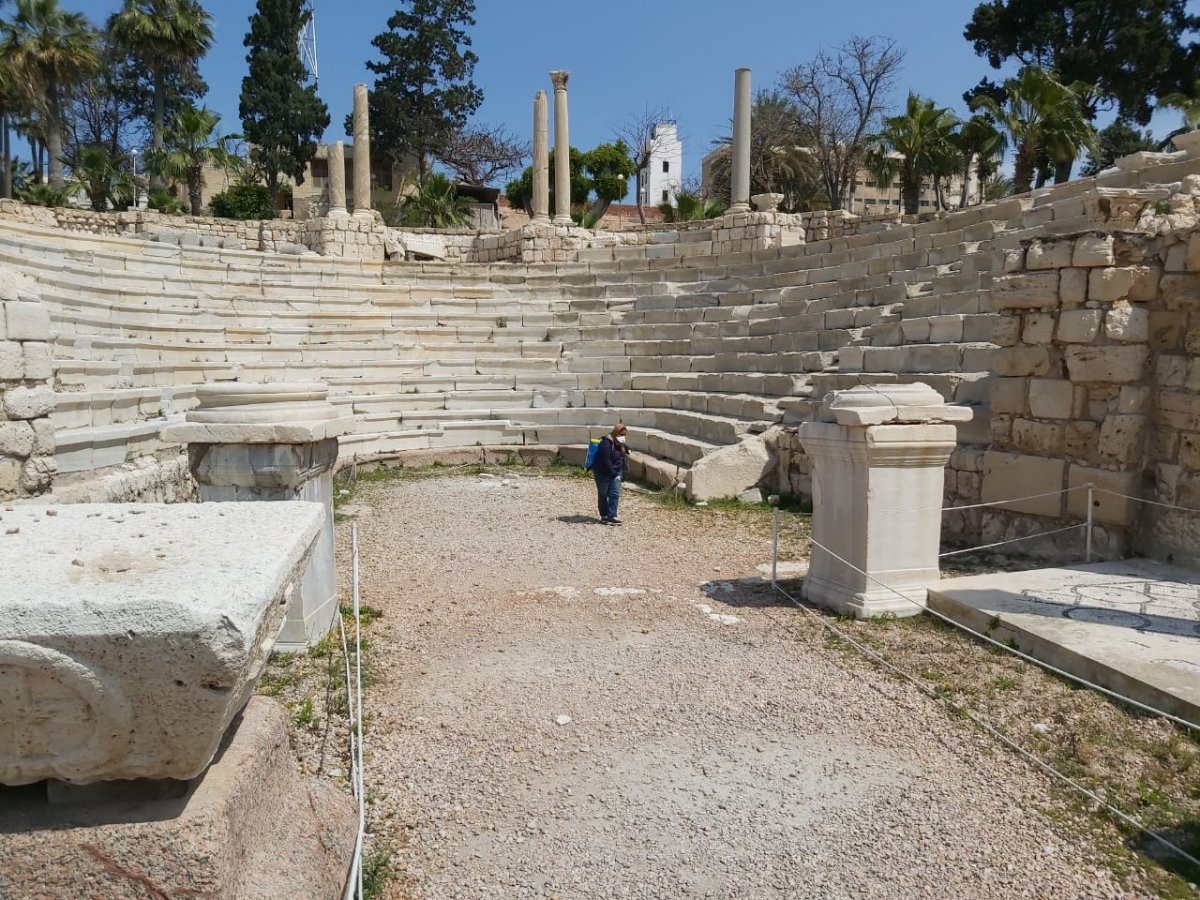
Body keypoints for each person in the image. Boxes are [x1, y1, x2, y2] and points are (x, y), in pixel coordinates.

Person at [593, 423, 629, 525]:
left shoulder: (620, 444)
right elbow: (606, 461)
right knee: (603, 494)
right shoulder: (606, 443)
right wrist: (613, 473)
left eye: (624, 435)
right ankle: (604, 515)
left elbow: (624, 449)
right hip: (602, 473)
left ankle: (612, 515)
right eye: (621, 435)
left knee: (615, 494)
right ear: (616, 433)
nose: (623, 437)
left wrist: (628, 449)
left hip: (616, 471)